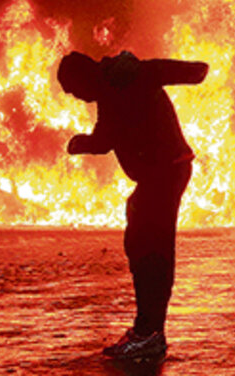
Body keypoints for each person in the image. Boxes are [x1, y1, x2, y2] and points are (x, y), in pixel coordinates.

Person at [57, 50, 208, 361]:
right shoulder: (108, 92)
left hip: (167, 169)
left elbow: (197, 72)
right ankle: (148, 330)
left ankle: (150, 332)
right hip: (157, 175)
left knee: (152, 249)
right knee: (141, 243)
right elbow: (105, 139)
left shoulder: (129, 76)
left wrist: (144, 68)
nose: (77, 98)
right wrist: (82, 143)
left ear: (84, 76)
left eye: (73, 90)